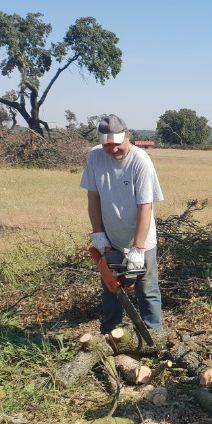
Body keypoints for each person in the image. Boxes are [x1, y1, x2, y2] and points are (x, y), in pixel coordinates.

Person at [80, 114, 166, 339]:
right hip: (110, 238)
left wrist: (138, 248)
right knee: (110, 289)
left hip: (141, 239)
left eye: (117, 145)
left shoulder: (140, 161)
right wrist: (98, 233)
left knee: (147, 290)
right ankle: (108, 338)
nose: (113, 150)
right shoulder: (95, 157)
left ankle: (153, 336)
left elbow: (145, 207)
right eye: (107, 146)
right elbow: (93, 198)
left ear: (128, 137)